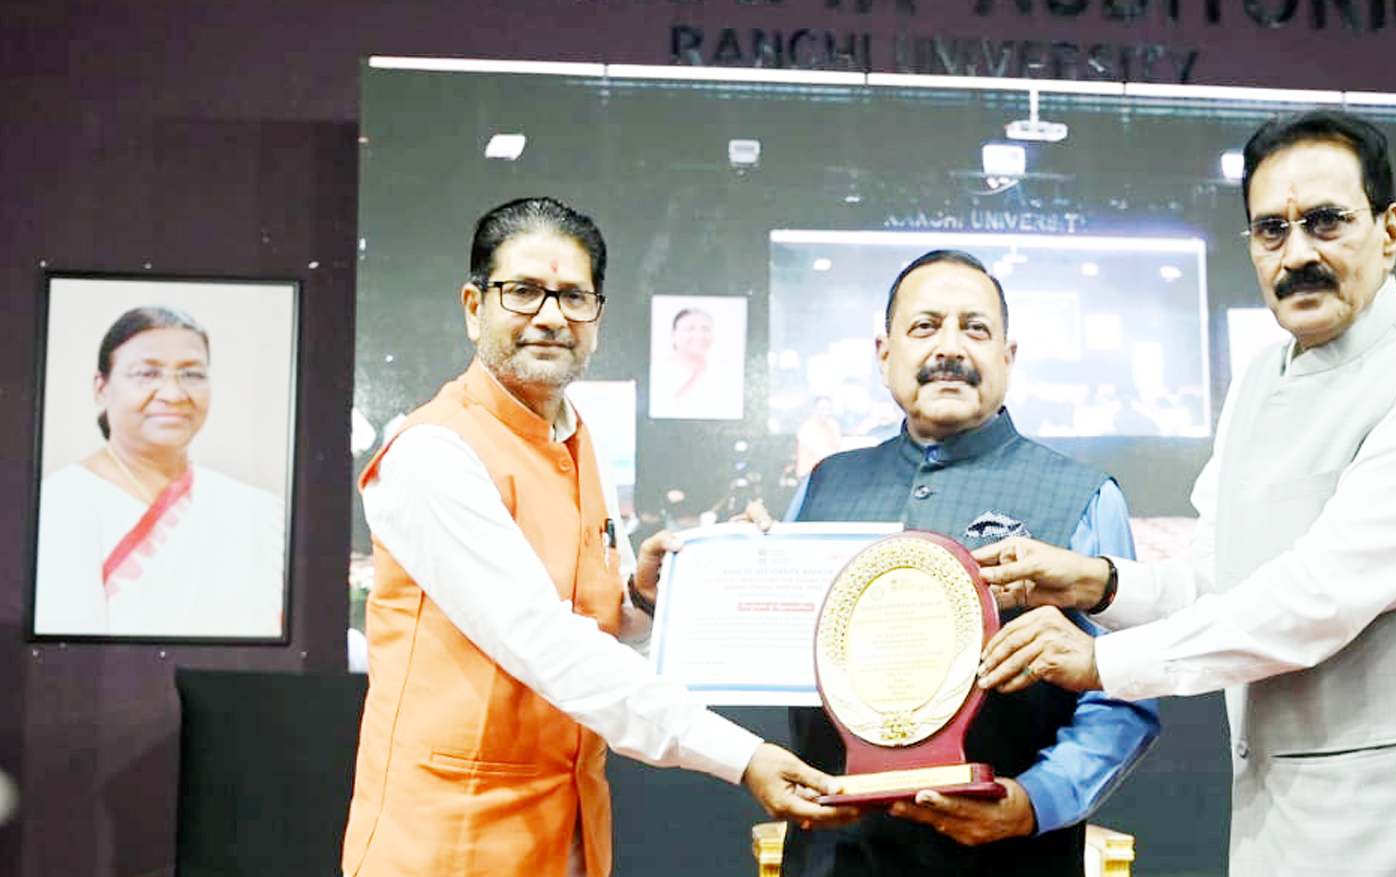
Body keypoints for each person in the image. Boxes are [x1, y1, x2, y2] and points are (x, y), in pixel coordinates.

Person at [974, 111, 1396, 877]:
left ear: (1389, 231)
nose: (1298, 254)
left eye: (1326, 221)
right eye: (1272, 230)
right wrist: (1098, 582)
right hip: (1294, 834)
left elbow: (1328, 591)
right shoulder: (1258, 382)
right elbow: (1218, 579)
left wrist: (1104, 662)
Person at [343, 197, 852, 877]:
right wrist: (743, 756)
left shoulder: (580, 441)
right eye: (524, 291)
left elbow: (598, 626)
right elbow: (545, 642)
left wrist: (646, 597)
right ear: (473, 307)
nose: (551, 316)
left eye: (574, 296)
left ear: (596, 317)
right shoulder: (432, 451)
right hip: (447, 841)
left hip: (571, 827)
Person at [713, 250, 1159, 877]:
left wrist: (1034, 801)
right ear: (884, 354)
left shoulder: (1085, 496)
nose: (949, 347)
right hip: (833, 857)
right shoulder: (823, 486)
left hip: (1011, 860)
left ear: (1008, 356)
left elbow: (1124, 696)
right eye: (924, 327)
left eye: (975, 329)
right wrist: (731, 572)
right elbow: (784, 650)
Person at [34, 306, 284, 638]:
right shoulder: (64, 502)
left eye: (192, 374)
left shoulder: (256, 511)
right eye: (147, 374)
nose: (173, 394)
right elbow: (67, 654)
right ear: (102, 388)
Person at [651, 304, 741, 419]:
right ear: (673, 335)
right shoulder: (655, 375)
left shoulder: (730, 377)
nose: (699, 336)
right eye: (690, 329)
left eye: (706, 330)